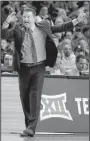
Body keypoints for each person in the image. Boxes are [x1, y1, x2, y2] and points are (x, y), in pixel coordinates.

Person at [2, 8, 86, 137]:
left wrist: (76, 21)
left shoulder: (44, 26)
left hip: (39, 67)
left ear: (34, 18)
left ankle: (31, 128)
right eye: (24, 17)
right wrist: (6, 23)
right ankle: (28, 126)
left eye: (28, 17)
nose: (25, 19)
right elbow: (4, 35)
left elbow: (61, 27)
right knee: (25, 98)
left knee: (35, 97)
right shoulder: (18, 29)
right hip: (24, 68)